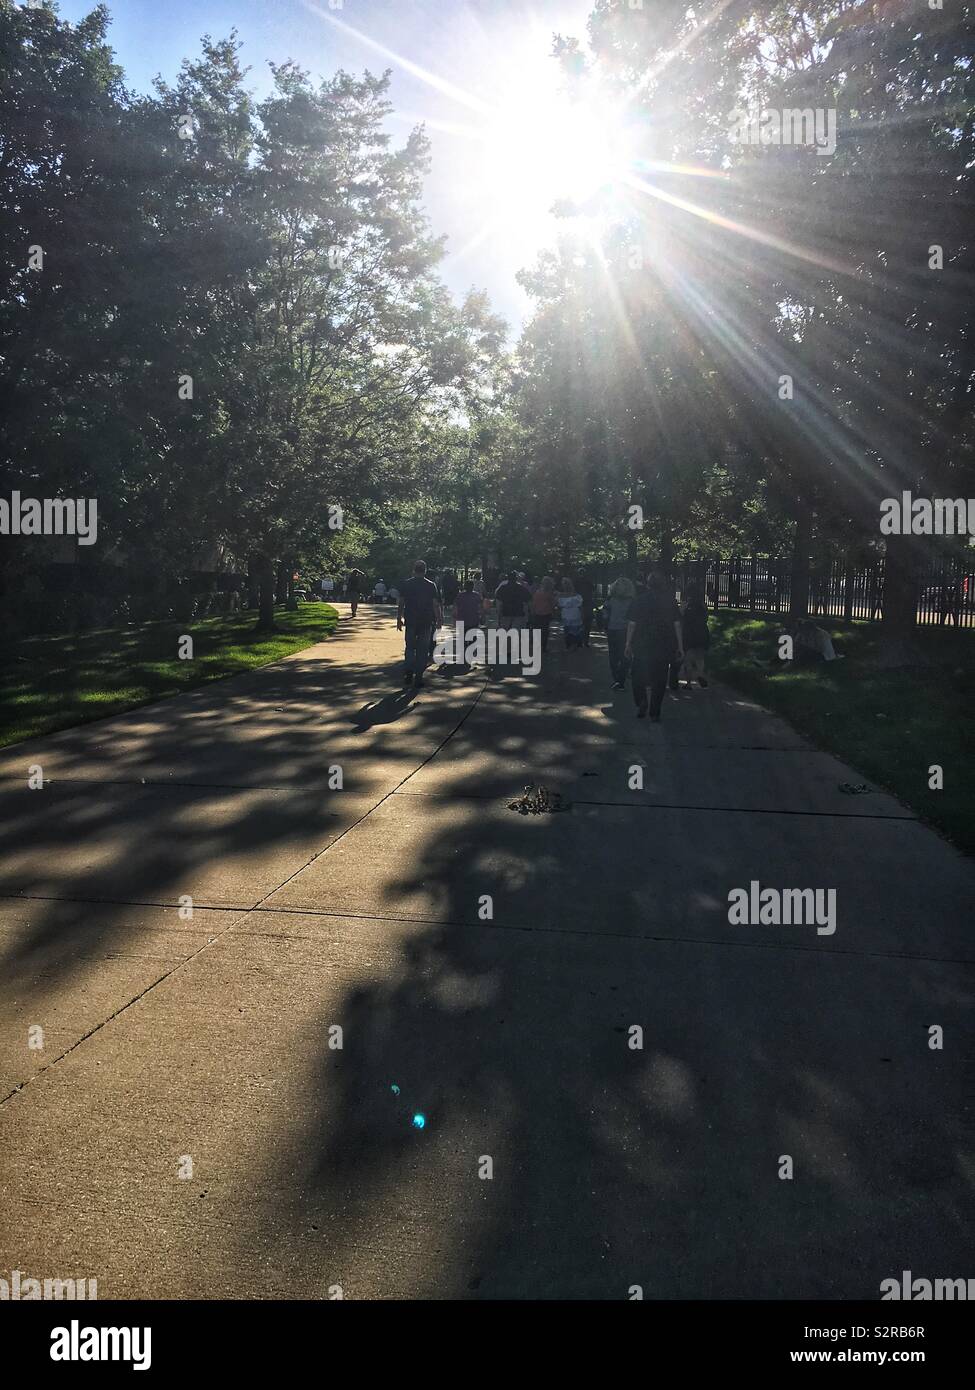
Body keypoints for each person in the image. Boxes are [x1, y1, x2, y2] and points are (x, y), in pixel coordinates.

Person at [625, 568, 683, 721]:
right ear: (663, 584)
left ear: (647, 584)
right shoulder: (670, 601)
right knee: (660, 679)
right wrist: (680, 646)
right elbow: (677, 624)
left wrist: (628, 643)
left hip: (642, 643)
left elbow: (632, 623)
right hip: (664, 644)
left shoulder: (639, 600)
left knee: (638, 675)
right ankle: (655, 711)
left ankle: (641, 700)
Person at [397, 561, 442, 688]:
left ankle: (408, 669)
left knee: (410, 647)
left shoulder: (406, 584)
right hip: (426, 621)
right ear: (425, 570)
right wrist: (439, 619)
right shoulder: (431, 585)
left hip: (411, 619)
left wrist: (399, 618)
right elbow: (435, 604)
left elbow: (401, 602)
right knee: (423, 649)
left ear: (414, 570)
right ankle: (418, 677)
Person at [604, 577, 635, 688]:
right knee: (625, 655)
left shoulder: (610, 599)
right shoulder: (631, 601)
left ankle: (617, 678)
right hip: (624, 630)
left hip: (613, 629)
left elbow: (605, 614)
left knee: (614, 655)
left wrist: (605, 625)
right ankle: (621, 678)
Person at [679, 584, 710, 688]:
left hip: (688, 633)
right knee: (700, 657)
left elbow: (680, 616)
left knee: (688, 659)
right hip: (702, 632)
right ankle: (700, 674)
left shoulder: (686, 604)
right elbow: (706, 617)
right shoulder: (702, 604)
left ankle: (688, 683)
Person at [530, 575, 558, 653]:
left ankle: (537, 646)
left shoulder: (537, 592)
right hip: (546, 613)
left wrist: (532, 611)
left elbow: (533, 603)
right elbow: (553, 604)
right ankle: (543, 647)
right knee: (545, 631)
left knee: (537, 630)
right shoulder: (549, 593)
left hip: (537, 613)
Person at [557, 577, 585, 651]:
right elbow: (559, 606)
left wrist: (582, 615)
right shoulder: (561, 595)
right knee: (567, 630)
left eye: (567, 584)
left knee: (574, 630)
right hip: (565, 615)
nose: (565, 586)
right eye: (564, 584)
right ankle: (568, 645)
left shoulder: (576, 595)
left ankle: (574, 645)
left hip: (575, 614)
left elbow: (580, 607)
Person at [575, 571, 595, 647]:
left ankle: (581, 641)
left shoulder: (577, 581)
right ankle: (584, 641)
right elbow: (593, 589)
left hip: (583, 604)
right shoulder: (588, 581)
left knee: (582, 624)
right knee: (586, 624)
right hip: (585, 604)